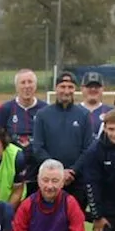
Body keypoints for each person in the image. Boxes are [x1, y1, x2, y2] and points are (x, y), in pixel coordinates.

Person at [32, 72, 92, 200]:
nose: (66, 91)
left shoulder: (84, 115)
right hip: (49, 182)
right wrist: (57, 173)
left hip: (75, 180)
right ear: (56, 88)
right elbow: (38, 147)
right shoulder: (43, 115)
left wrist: (72, 171)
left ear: (75, 89)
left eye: (70, 87)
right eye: (62, 86)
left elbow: (88, 149)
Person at [0, 68, 44, 158]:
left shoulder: (44, 109)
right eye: (23, 83)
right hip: (12, 158)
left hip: (37, 159)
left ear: (35, 85)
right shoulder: (6, 109)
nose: (27, 86)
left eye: (30, 82)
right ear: (16, 87)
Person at [80, 72, 113, 137]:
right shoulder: (73, 111)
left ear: (103, 88)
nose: (93, 89)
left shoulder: (110, 112)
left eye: (97, 86)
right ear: (82, 88)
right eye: (89, 86)